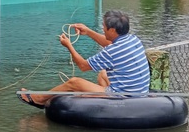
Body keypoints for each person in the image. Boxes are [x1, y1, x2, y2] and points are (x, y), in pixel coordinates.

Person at [18, 9, 150, 108]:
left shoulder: (112, 52)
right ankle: (97, 98)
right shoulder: (133, 39)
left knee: (75, 82)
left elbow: (83, 66)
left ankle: (39, 99)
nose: (102, 29)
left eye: (104, 27)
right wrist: (88, 32)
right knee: (102, 74)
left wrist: (69, 46)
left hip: (125, 97)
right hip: (139, 91)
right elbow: (109, 43)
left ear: (113, 30)